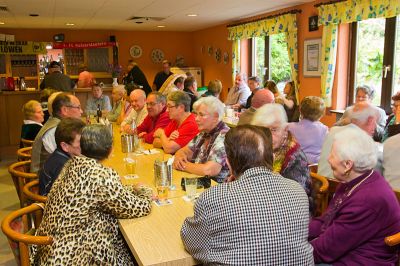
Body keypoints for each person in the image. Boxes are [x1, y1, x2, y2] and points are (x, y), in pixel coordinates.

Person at [181, 125, 313, 265]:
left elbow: (191, 242)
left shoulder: (214, 197)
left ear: (229, 164)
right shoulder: (298, 191)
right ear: (272, 158)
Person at [33, 124, 152, 265]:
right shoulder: (100, 176)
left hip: (50, 251)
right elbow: (138, 208)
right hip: (74, 257)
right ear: (110, 150)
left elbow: (107, 194)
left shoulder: (70, 164)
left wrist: (131, 188)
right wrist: (145, 191)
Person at [309, 126, 400, 265]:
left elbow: (326, 250)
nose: (328, 159)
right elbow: (325, 221)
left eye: (332, 154)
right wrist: (294, 230)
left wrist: (288, 253)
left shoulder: (366, 201)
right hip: (344, 250)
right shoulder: (356, 179)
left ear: (347, 165)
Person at [252, 104, 312, 208]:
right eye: (263, 130)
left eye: (274, 129)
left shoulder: (295, 157)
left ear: (285, 130)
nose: (268, 136)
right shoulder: (258, 149)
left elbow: (296, 198)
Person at [173, 96, 230, 183]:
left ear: (215, 117)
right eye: (196, 114)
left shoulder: (224, 136)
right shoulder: (204, 133)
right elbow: (183, 151)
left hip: (218, 188)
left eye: (201, 115)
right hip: (200, 182)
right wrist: (179, 158)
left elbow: (209, 171)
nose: (196, 119)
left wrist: (182, 165)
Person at [318, 102, 382, 179]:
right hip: (341, 187)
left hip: (321, 183)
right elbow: (377, 167)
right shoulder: (363, 140)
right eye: (375, 122)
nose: (375, 127)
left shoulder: (333, 131)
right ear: (370, 120)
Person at [31, 93, 83, 173]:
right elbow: (69, 157)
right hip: (46, 179)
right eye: (78, 107)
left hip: (57, 172)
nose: (81, 111)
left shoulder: (58, 124)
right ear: (65, 110)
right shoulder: (54, 130)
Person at [38, 117, 85, 195]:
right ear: (65, 146)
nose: (86, 144)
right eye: (80, 141)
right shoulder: (64, 166)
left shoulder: (61, 155)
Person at [288, 96, 328, 164]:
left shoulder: (289, 127)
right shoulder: (324, 129)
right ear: (321, 114)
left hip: (295, 165)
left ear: (300, 111)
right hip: (316, 168)